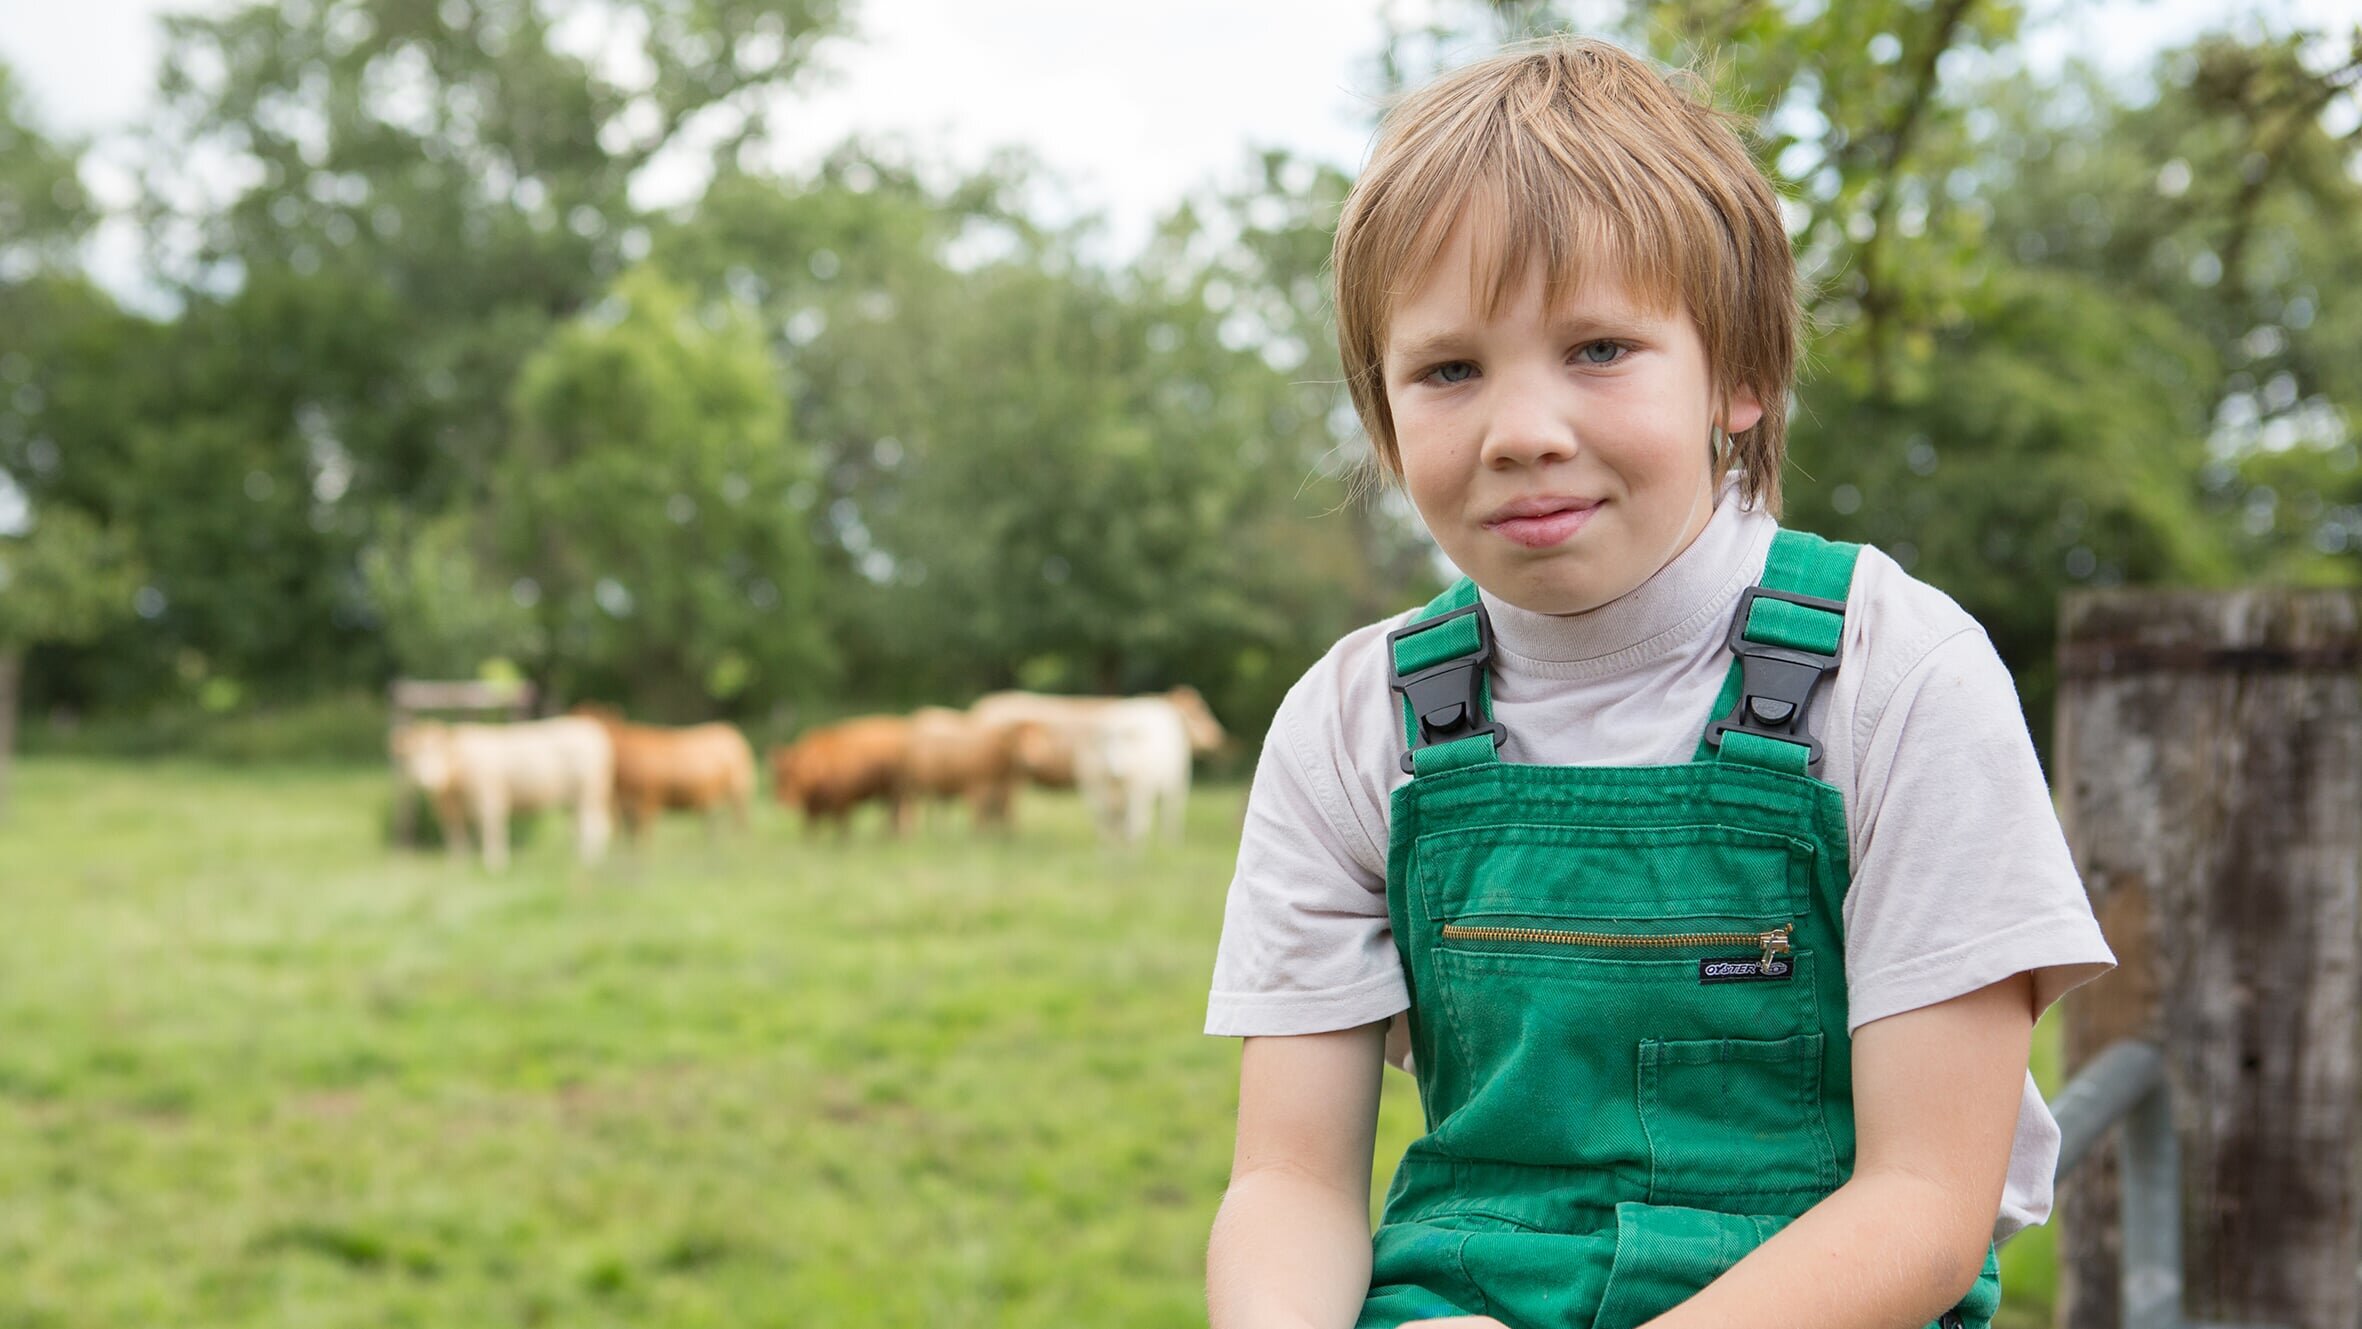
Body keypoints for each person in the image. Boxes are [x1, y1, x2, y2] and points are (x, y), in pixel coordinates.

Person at [1203, 37, 2114, 1329]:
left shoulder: (1898, 671)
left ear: (1734, 375)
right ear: (1382, 412)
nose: (1521, 427)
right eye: (1448, 369)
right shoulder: (1350, 721)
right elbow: (1287, 1180)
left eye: (1597, 348)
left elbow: (1922, 1194)